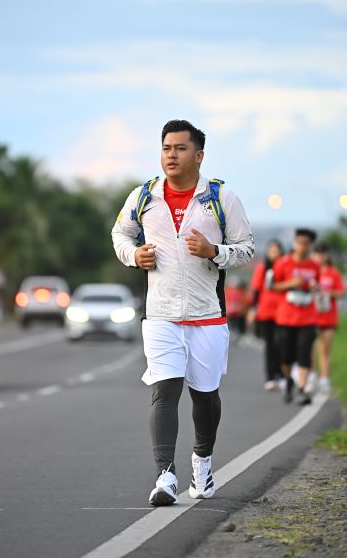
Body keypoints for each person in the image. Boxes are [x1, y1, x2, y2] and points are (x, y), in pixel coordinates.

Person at [112, 119, 254, 506]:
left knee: (205, 397)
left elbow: (246, 249)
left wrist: (214, 251)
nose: (171, 155)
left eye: (179, 148)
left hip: (208, 314)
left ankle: (202, 462)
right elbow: (120, 234)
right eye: (166, 148)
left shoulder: (221, 198)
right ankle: (165, 476)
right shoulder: (144, 195)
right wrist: (133, 255)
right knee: (165, 390)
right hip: (160, 314)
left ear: (199, 155)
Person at [272, 229, 320, 405]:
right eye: (298, 242)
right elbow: (272, 286)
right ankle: (288, 380)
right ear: (294, 243)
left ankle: (302, 388)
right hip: (286, 317)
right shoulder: (283, 263)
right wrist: (290, 283)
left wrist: (315, 288)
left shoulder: (314, 266)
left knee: (304, 353)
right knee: (285, 357)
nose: (301, 246)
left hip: (308, 317)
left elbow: (317, 285)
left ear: (310, 245)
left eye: (305, 243)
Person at [249, 239, 284, 390]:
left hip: (284, 312)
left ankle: (281, 374)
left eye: (276, 250)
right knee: (270, 345)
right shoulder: (262, 268)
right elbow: (256, 290)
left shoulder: (285, 267)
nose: (273, 253)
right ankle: (270, 377)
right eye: (271, 250)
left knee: (281, 344)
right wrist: (253, 309)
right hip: (267, 312)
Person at [312, 242, 345, 392]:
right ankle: (311, 374)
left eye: (323, 254)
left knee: (325, 348)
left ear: (327, 255)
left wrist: (326, 292)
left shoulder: (333, 273)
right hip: (311, 316)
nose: (320, 257)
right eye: (317, 254)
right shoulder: (311, 271)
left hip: (328, 316)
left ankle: (324, 378)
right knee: (311, 347)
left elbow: (340, 293)